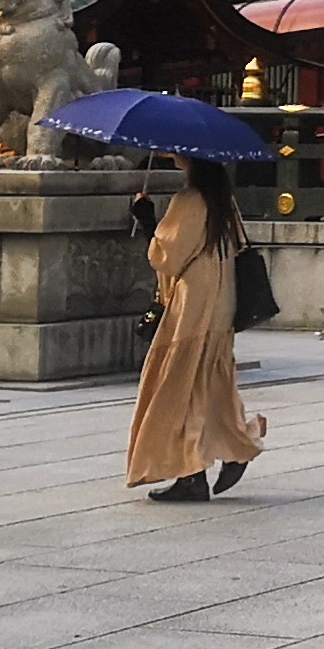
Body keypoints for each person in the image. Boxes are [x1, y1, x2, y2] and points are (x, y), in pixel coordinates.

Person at [126, 156, 265, 504]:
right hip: (221, 299)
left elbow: (166, 256)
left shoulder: (189, 200)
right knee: (210, 384)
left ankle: (192, 475)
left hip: (194, 303)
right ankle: (234, 448)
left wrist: (146, 220)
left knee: (180, 386)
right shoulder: (222, 198)